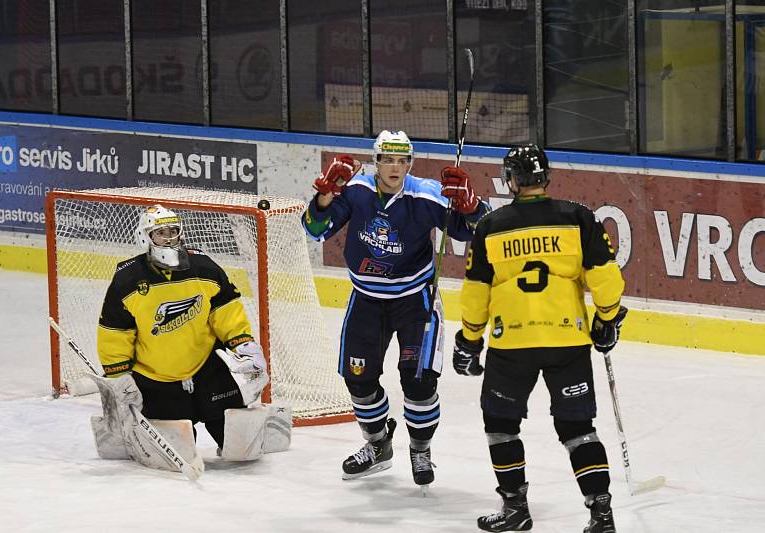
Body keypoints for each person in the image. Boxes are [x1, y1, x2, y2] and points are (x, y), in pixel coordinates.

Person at [452, 144, 627, 532]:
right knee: (579, 429)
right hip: (567, 342)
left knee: (500, 423)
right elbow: (605, 278)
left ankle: (515, 508)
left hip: (512, 346)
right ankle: (602, 515)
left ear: (512, 180)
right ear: (546, 177)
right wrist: (607, 319)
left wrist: (469, 339)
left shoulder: (490, 226)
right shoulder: (579, 218)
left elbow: (476, 291)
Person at [302, 130, 490, 488]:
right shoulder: (355, 189)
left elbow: (474, 231)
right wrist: (324, 197)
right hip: (366, 300)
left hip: (413, 301)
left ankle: (420, 450)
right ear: (376, 161)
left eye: (402, 160)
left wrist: (471, 205)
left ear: (410, 164)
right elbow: (315, 230)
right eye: (387, 159)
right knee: (358, 380)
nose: (395, 167)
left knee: (418, 382)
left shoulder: (426, 194)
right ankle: (378, 445)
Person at [94, 204, 273, 469]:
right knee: (175, 457)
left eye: (173, 231)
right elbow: (115, 333)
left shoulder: (204, 267)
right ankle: (130, 433)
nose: (168, 238)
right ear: (145, 236)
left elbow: (226, 311)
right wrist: (118, 377)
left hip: (206, 370)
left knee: (245, 449)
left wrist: (243, 344)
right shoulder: (128, 280)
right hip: (156, 380)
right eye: (160, 232)